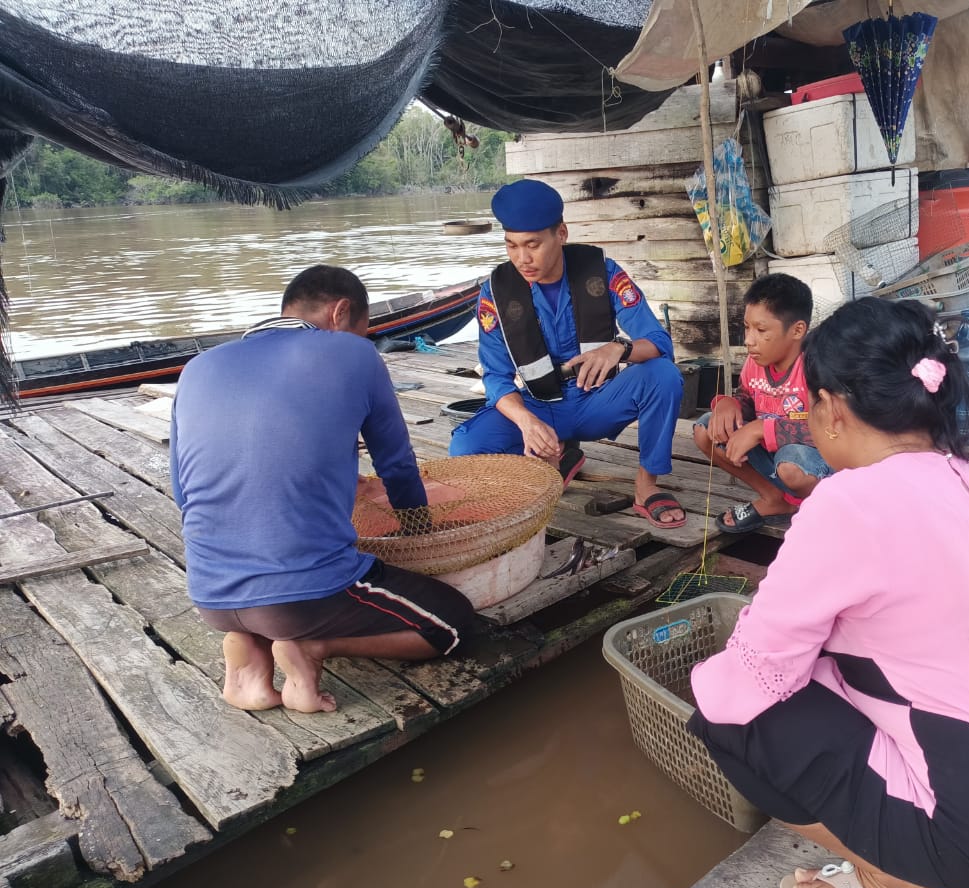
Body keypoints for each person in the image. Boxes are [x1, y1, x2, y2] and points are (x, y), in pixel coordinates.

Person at [686, 297, 969, 888]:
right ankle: (912, 833)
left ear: (829, 407)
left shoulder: (849, 501)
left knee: (724, 717)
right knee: (823, 668)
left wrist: (714, 677)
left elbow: (751, 676)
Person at [171, 265, 474, 714]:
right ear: (341, 313)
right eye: (363, 331)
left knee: (264, 595)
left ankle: (251, 663)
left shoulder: (199, 366)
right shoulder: (353, 355)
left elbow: (182, 490)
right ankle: (313, 649)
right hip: (303, 599)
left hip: (210, 593)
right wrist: (420, 530)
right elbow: (396, 465)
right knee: (455, 624)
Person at [448, 178, 687, 529]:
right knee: (465, 447)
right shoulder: (495, 293)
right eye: (511, 246)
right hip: (538, 407)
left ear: (561, 233)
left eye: (533, 244)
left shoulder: (602, 272)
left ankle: (646, 488)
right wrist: (527, 423)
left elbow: (658, 341)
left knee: (664, 375)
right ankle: (557, 458)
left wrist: (619, 348)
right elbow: (496, 378)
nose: (522, 259)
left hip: (597, 402)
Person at [692, 274, 830, 534]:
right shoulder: (755, 363)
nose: (748, 340)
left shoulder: (817, 367)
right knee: (707, 429)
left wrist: (759, 429)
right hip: (776, 458)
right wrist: (728, 403)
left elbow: (833, 428)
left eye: (761, 330)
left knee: (792, 464)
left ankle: (825, 510)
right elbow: (748, 397)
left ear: (797, 330)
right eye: (747, 327)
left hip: (813, 464)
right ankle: (774, 500)